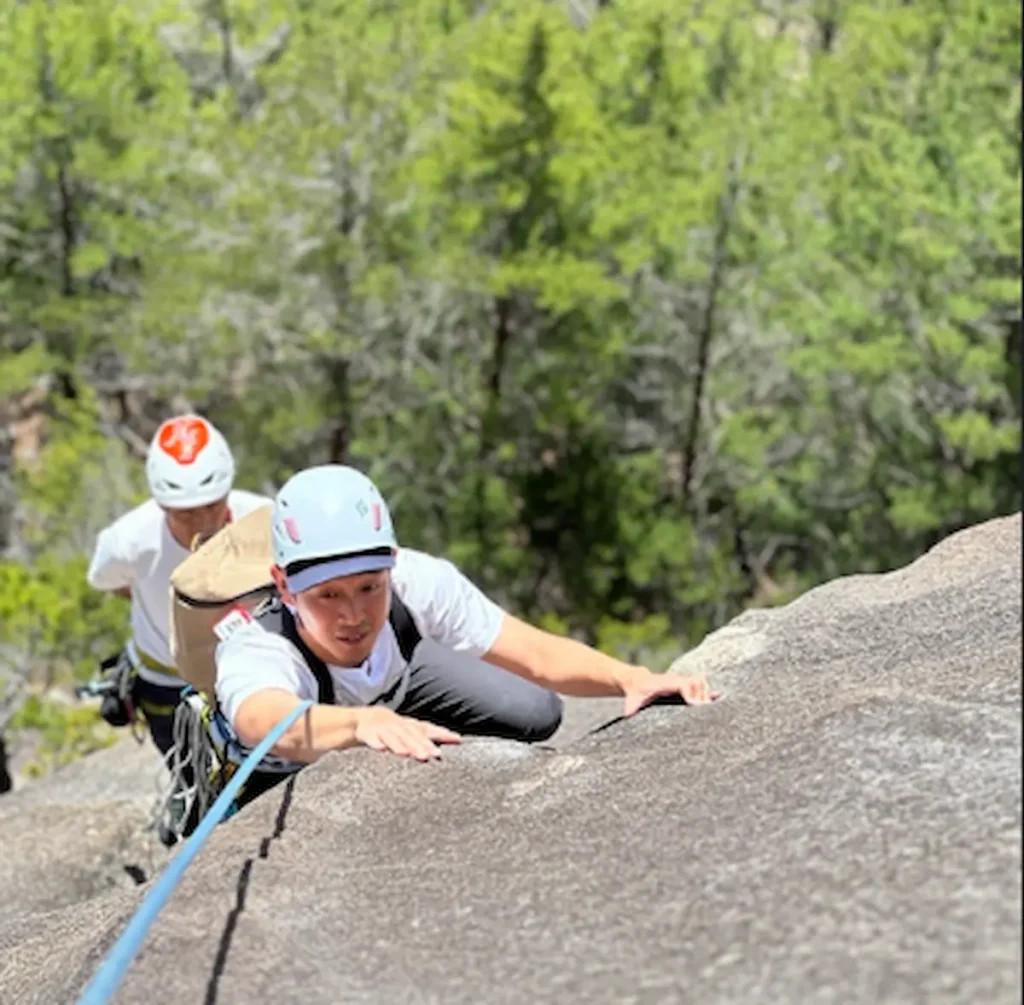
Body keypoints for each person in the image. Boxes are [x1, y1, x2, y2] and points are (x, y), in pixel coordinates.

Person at [213, 465, 714, 791]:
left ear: (390, 563)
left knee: (533, 709)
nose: (353, 614)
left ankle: (400, 724)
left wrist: (630, 678)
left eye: (369, 587)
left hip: (394, 698)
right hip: (288, 759)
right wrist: (361, 725)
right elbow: (263, 721)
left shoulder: (416, 580)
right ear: (284, 586)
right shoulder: (259, 642)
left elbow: (535, 654)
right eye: (327, 595)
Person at [87, 414, 273, 764]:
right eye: (185, 514)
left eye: (212, 506)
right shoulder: (129, 541)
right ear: (161, 506)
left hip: (252, 668)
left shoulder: (263, 519)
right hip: (167, 682)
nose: (202, 522)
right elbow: (107, 581)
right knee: (192, 775)